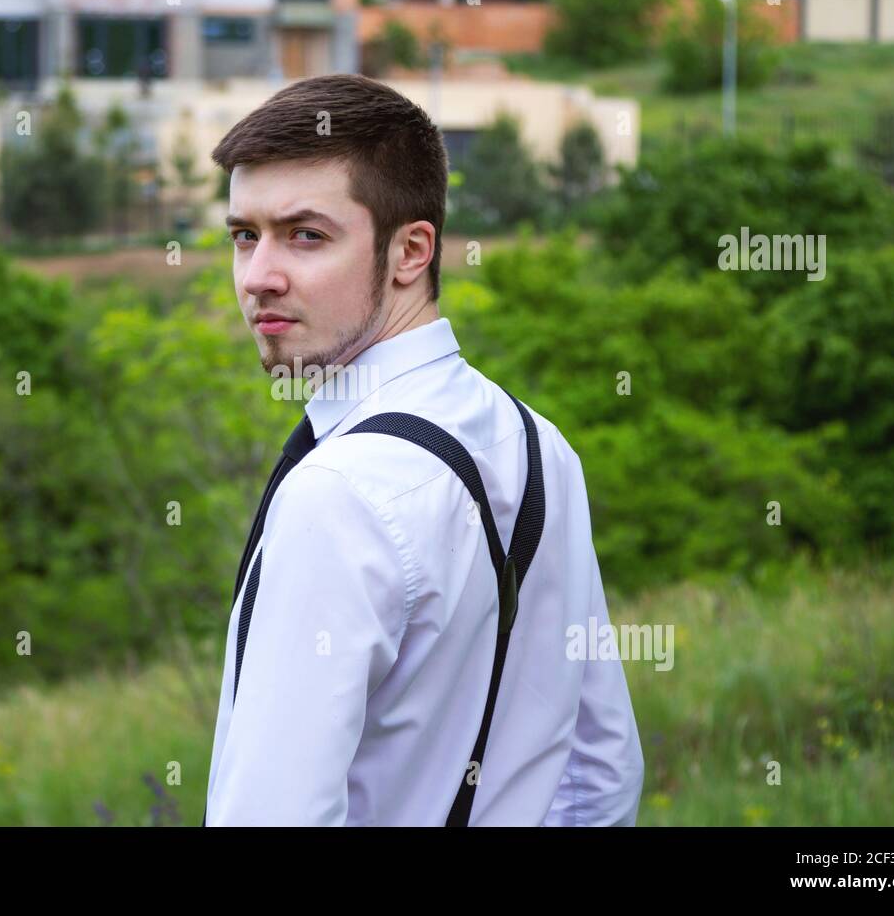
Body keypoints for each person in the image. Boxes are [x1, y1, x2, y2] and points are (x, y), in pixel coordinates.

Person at [203, 73, 644, 825]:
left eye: (305, 235)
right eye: (246, 235)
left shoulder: (335, 494)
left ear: (411, 251)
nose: (259, 277)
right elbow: (600, 775)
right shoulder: (538, 443)